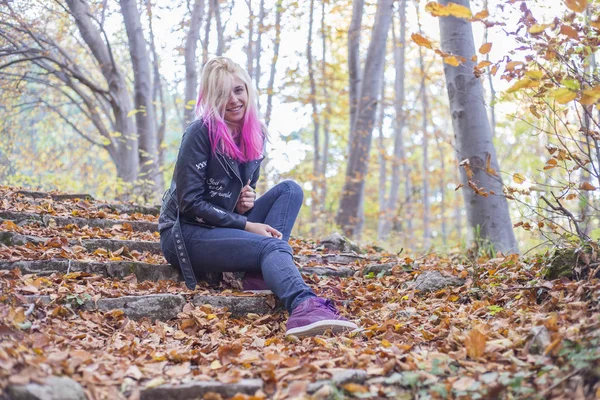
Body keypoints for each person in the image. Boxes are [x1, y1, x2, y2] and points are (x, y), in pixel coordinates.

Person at [158, 56, 357, 337]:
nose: (233, 100)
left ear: (248, 90)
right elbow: (188, 203)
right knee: (271, 245)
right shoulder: (200, 132)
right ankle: (303, 307)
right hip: (185, 233)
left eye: (238, 90)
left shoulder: (255, 133)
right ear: (212, 98)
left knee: (290, 190)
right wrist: (246, 224)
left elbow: (239, 194)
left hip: (221, 226)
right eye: (223, 93)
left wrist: (242, 204)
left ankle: (258, 276)